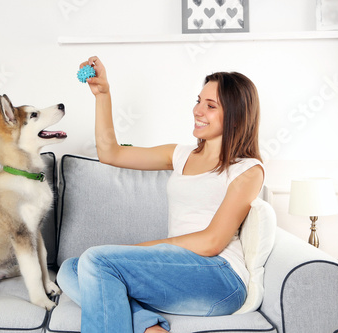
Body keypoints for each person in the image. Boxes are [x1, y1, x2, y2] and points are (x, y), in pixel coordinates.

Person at [57, 56, 265, 333]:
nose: (198, 110)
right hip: (176, 268)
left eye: (210, 105)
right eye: (198, 101)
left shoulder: (248, 170)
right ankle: (149, 327)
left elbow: (212, 242)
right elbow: (111, 153)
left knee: (96, 260)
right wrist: (103, 94)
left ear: (237, 116)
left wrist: (137, 250)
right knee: (71, 268)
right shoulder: (179, 155)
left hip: (220, 278)